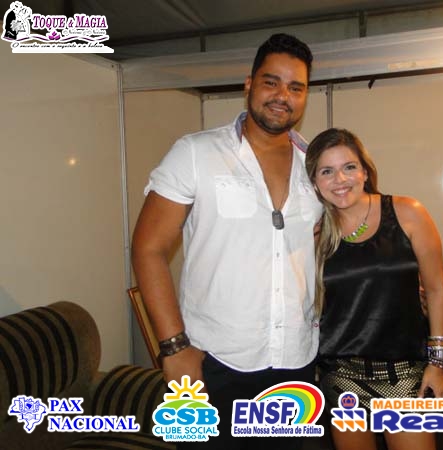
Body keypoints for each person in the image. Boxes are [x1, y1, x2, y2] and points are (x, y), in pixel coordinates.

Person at [131, 33, 323, 450]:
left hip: (296, 362)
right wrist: (173, 348)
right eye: (271, 82)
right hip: (211, 361)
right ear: (249, 84)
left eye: (296, 88)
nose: (283, 96)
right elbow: (148, 248)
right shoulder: (195, 152)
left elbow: (325, 246)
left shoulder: (316, 166)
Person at [305, 128, 443, 450]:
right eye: (326, 171)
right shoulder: (315, 232)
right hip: (341, 373)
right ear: (315, 182)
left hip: (404, 372)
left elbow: (437, 289)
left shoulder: (407, 212)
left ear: (365, 172)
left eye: (349, 167)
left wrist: (438, 363)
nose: (340, 179)